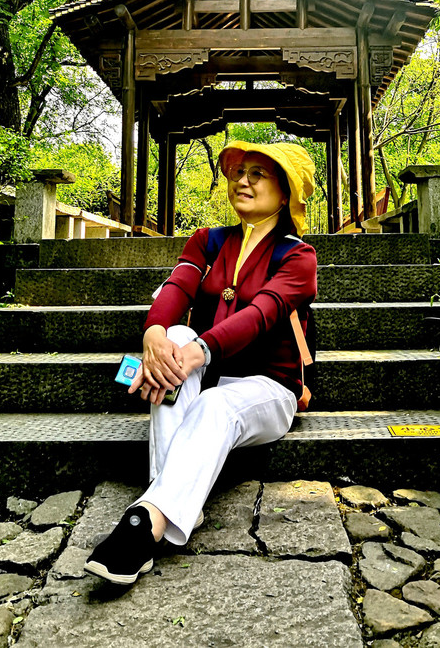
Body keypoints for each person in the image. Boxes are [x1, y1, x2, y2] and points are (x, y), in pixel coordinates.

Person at [84, 140, 317, 585]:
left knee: (213, 402)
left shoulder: (298, 257)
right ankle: (163, 515)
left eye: (258, 174)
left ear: (285, 192)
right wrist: (154, 335)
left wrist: (201, 350)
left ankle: (145, 519)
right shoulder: (208, 241)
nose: (242, 180)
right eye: (239, 172)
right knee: (174, 336)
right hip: (203, 374)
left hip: (269, 388)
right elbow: (178, 286)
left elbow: (261, 313)